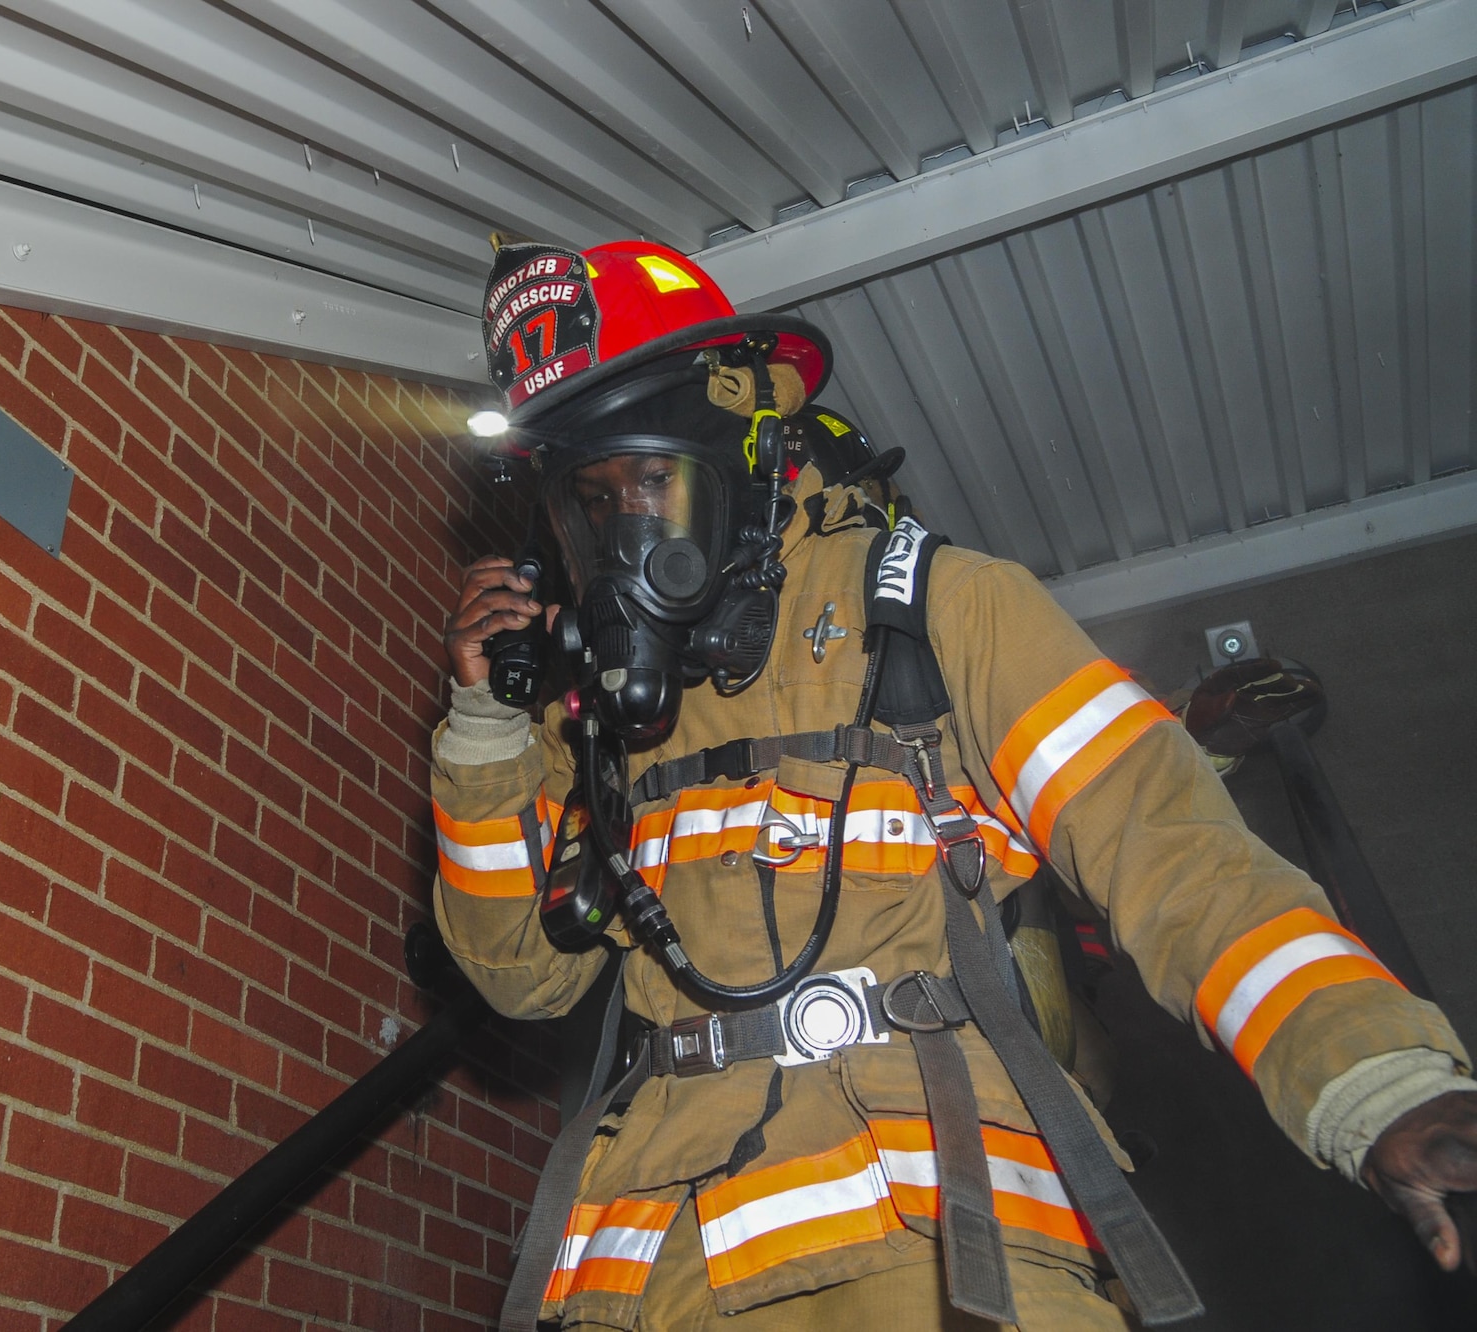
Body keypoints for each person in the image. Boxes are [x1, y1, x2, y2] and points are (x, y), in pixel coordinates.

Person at [431, 238, 1477, 1330]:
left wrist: (1376, 1084)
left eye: (650, 480)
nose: (624, 530)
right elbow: (522, 978)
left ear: (744, 445)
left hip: (937, 1254)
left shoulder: (939, 608)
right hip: (646, 1279)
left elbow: (1171, 853)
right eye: (591, 502)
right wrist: (485, 727)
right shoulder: (596, 718)